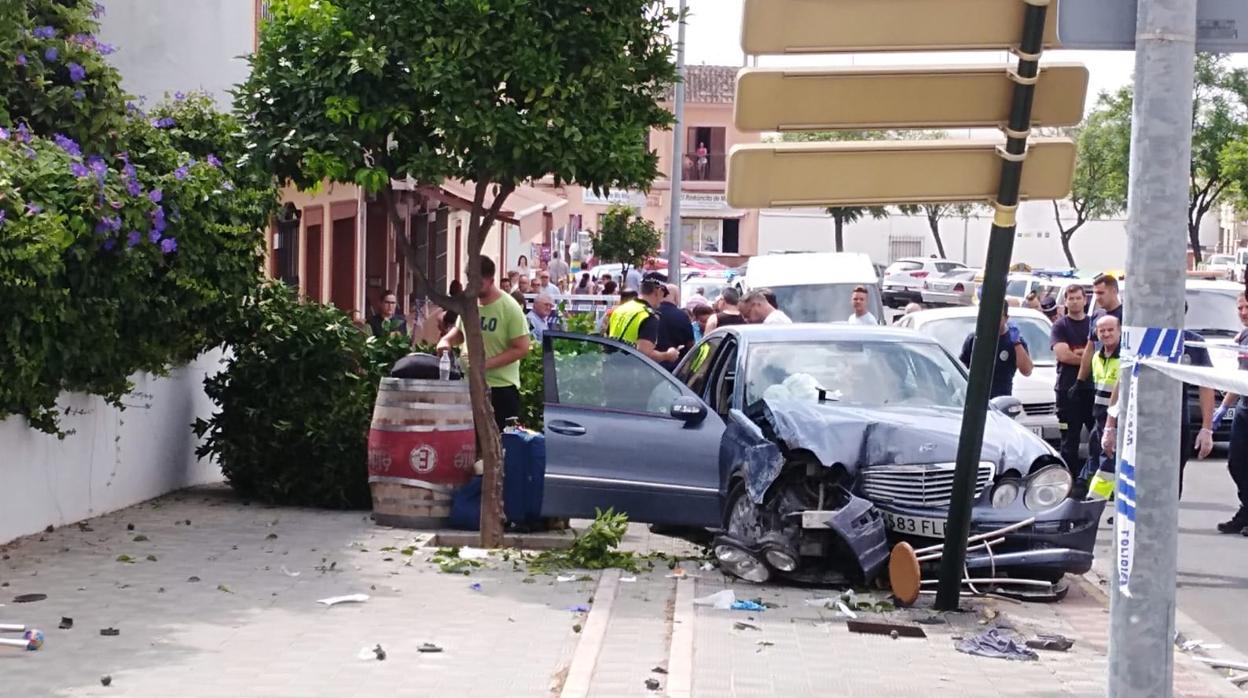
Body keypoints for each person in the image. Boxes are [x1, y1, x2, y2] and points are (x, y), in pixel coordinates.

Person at [1102, 313, 1216, 499]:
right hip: (1140, 420)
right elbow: (1123, 380)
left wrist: (1207, 429)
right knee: (1136, 474)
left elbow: (1206, 385)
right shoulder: (1142, 339)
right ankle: (1135, 521)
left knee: (1171, 479)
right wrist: (1110, 425)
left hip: (1176, 422)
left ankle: (1164, 523)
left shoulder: (1193, 343)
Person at [436, 256, 531, 431]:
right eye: (470, 281)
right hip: (469, 383)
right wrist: (447, 340)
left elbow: (522, 347)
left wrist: (484, 365)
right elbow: (460, 333)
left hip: (500, 388)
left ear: (491, 280)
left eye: (478, 282)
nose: (472, 286)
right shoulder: (470, 305)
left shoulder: (509, 307)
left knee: (496, 442)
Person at [1209, 292, 1248, 534]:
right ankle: (1247, 508)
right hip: (1244, 407)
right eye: (1240, 308)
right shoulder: (1243, 336)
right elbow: (1239, 376)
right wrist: (1223, 407)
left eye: (1247, 308)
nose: (1243, 313)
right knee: (1237, 463)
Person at [1051, 285, 1094, 476]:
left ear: (1085, 300)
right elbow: (1064, 355)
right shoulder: (1060, 326)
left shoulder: (1094, 324)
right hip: (1067, 391)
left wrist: (1080, 353)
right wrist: (1087, 357)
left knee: (1098, 439)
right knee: (1069, 441)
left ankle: (1092, 479)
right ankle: (1069, 482)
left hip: (1091, 390)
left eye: (1078, 298)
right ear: (1065, 301)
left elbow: (1103, 354)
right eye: (1071, 298)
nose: (1075, 302)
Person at [1083, 315, 1123, 499]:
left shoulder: (1124, 358)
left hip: (1117, 421)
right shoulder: (1097, 357)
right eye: (1102, 331)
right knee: (1101, 463)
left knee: (1108, 466)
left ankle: (1093, 504)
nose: (1106, 334)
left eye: (1110, 330)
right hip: (1100, 419)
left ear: (1120, 330)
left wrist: (1111, 426)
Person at [958, 307, 1034, 399]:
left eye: (998, 316)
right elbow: (960, 368)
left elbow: (1027, 371)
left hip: (1000, 400)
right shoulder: (974, 339)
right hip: (975, 398)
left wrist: (1016, 343)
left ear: (1006, 318)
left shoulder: (1014, 341)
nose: (993, 319)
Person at [606, 278, 679, 365]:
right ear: (658, 291)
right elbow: (644, 354)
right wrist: (667, 355)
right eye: (664, 294)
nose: (662, 299)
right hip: (630, 371)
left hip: (610, 366)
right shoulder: (647, 316)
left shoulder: (621, 309)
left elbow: (607, 337)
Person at [656, 282, 695, 371]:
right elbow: (690, 343)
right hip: (675, 366)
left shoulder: (650, 312)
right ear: (677, 297)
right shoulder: (682, 316)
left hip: (649, 362)